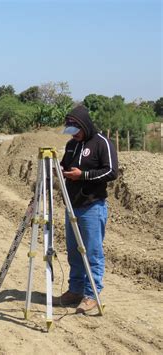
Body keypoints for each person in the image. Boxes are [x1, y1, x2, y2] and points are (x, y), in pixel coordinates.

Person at [55, 105, 118, 314]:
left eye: (77, 131)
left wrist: (82, 175)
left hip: (92, 206)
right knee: (74, 252)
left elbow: (111, 171)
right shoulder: (71, 145)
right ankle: (75, 290)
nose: (75, 136)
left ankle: (92, 295)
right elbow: (64, 167)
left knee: (92, 252)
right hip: (72, 207)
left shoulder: (102, 143)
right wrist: (58, 171)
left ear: (85, 125)